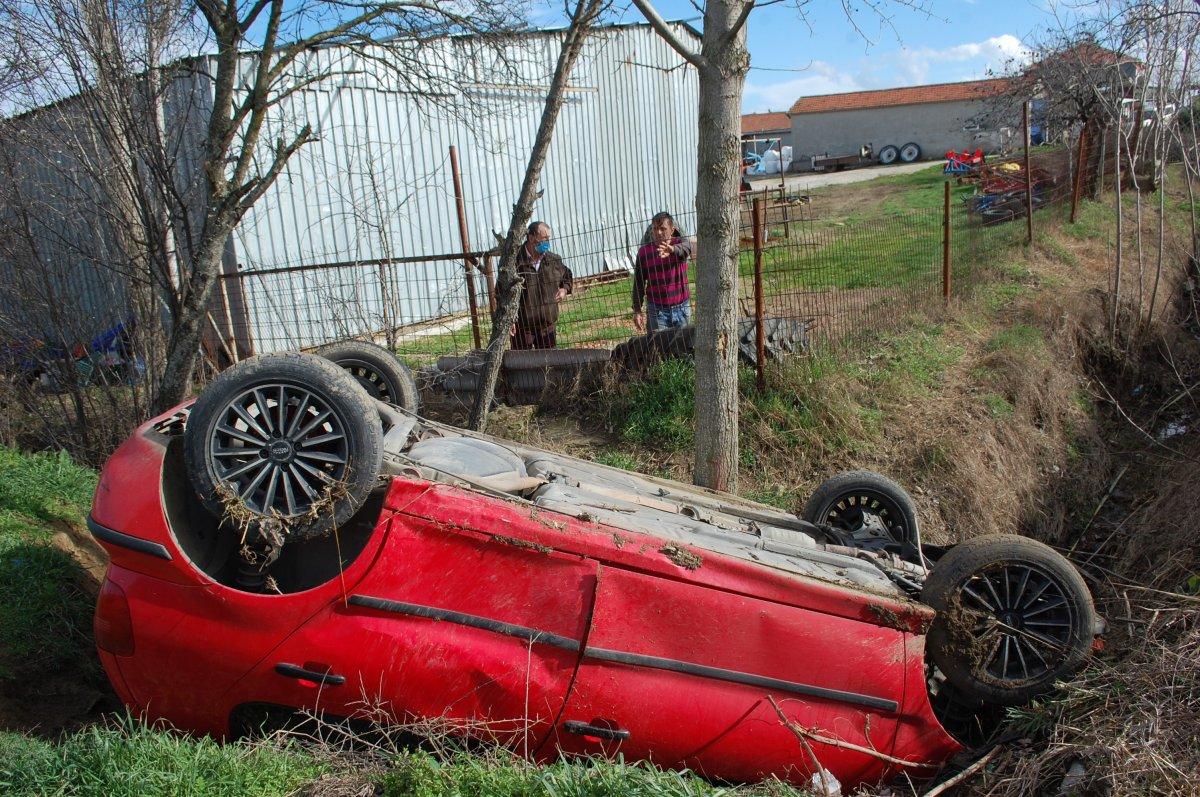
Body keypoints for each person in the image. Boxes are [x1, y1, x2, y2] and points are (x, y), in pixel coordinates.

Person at [511, 221, 572, 350]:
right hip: (522, 328)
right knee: (522, 366)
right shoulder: (515, 263)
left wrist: (564, 290)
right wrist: (510, 320)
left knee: (548, 365)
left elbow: (567, 275)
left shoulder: (552, 260)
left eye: (548, 238)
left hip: (546, 326)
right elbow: (501, 292)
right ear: (531, 237)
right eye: (544, 238)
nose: (547, 242)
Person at [632, 211, 694, 333]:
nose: (658, 232)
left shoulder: (679, 244)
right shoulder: (644, 252)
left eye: (662, 228)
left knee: (684, 348)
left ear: (672, 230)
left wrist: (673, 249)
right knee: (658, 348)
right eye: (655, 229)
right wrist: (637, 310)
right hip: (657, 311)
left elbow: (689, 247)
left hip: (682, 308)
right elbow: (638, 283)